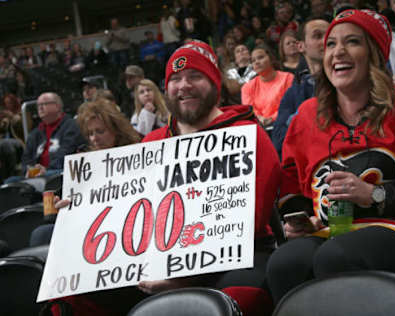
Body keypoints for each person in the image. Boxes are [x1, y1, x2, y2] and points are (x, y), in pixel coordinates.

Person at [266, 9, 395, 304]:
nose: (338, 52)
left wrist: (376, 194)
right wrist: (303, 219)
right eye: (331, 44)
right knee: (285, 263)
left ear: (373, 54)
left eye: (352, 42)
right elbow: (293, 187)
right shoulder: (305, 118)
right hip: (331, 230)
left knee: (338, 257)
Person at [138, 40, 281, 316]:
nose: (184, 85)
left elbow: (250, 219)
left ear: (215, 83)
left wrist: (183, 278)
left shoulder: (248, 134)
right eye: (175, 79)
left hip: (243, 256)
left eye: (195, 76)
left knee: (235, 300)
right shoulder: (151, 143)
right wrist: (78, 211)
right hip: (162, 260)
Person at [30, 98, 141, 246]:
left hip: (126, 222)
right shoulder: (83, 163)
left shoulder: (138, 156)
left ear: (116, 130)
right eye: (90, 133)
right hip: (88, 224)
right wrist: (63, 206)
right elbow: (72, 202)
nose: (94, 138)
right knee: (41, 234)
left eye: (100, 131)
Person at [272, 16, 331, 156]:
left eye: (330, 35)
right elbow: (278, 141)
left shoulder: (349, 82)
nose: (326, 40)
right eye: (317, 36)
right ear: (301, 46)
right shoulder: (292, 93)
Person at [20, 92, 85, 179]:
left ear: (57, 106)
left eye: (44, 104)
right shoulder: (34, 133)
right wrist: (28, 171)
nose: (40, 108)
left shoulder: (71, 126)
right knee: (10, 181)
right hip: (36, 176)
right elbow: (26, 159)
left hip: (60, 172)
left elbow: (66, 154)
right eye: (38, 105)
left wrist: (46, 169)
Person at [241, 45, 294, 127]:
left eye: (260, 57)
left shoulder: (288, 78)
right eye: (253, 60)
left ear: (271, 59)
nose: (257, 62)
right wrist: (260, 118)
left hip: (285, 124)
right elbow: (249, 111)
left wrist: (271, 118)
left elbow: (290, 105)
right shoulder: (247, 87)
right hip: (259, 127)